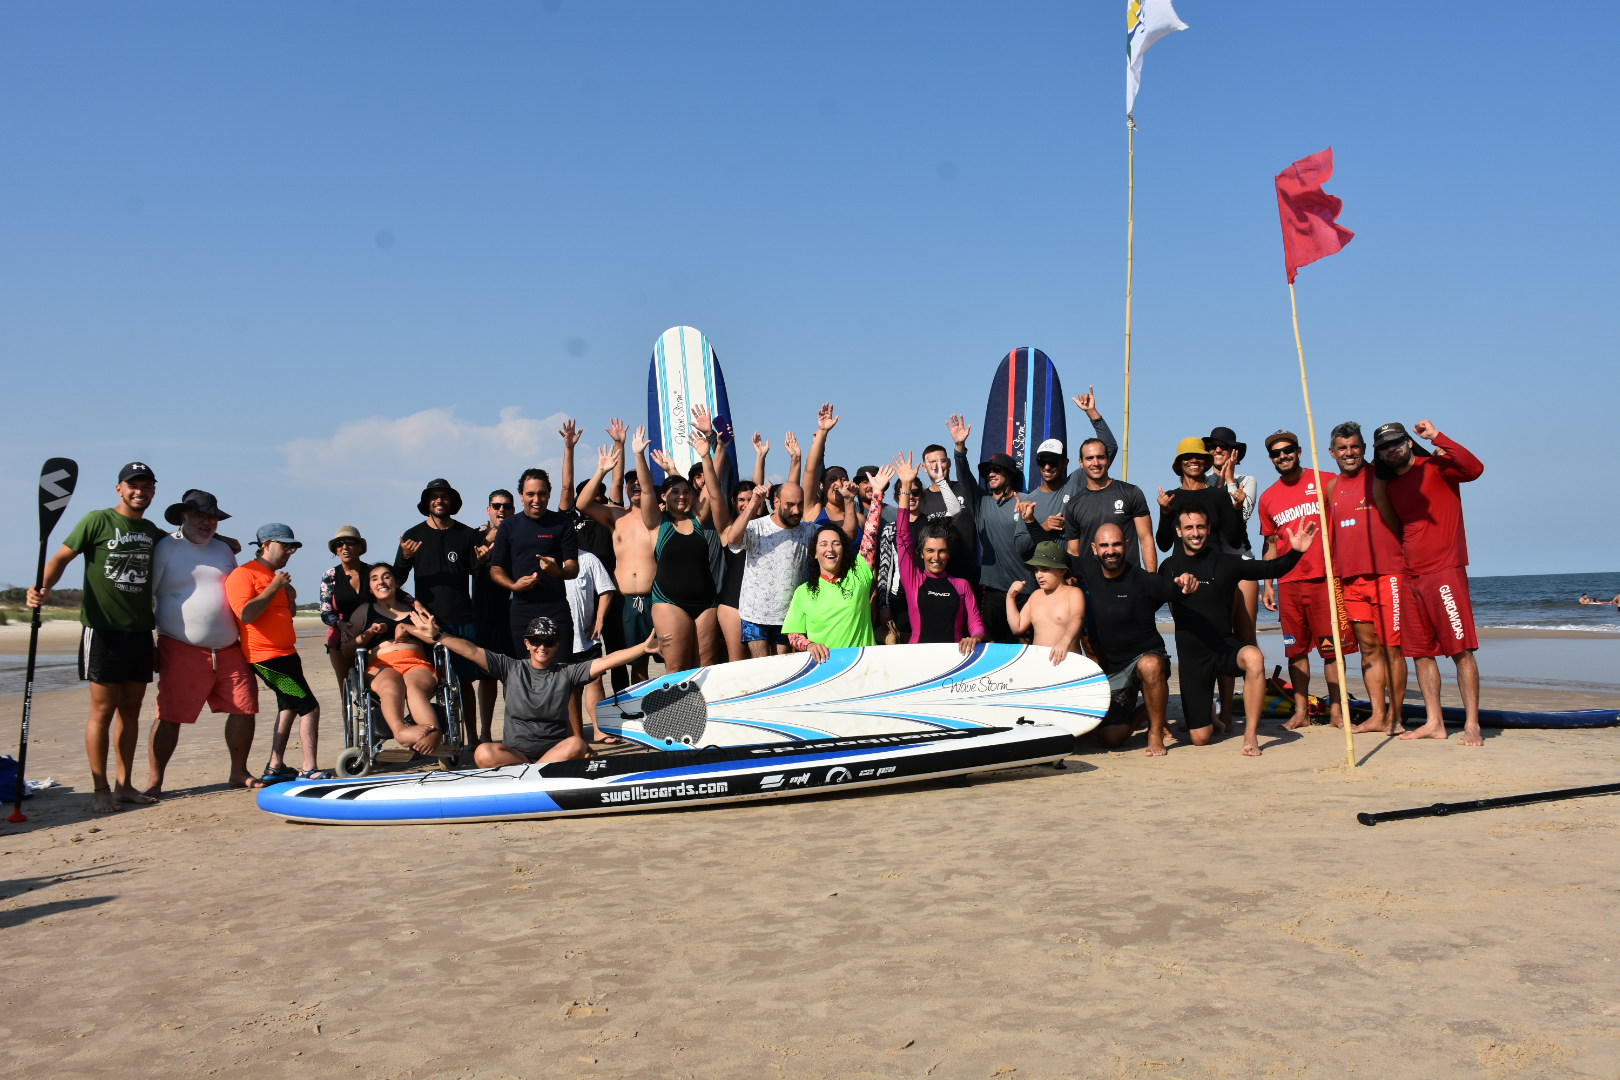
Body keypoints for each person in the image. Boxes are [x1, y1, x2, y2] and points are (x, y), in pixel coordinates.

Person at [28, 462, 166, 813]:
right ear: (119, 488)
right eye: (133, 485)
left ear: (153, 491)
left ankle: (124, 785)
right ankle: (100, 788)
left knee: (131, 713)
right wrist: (42, 588)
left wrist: (224, 539)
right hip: (102, 630)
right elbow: (61, 557)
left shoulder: (152, 531)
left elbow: (187, 544)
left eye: (147, 486)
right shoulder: (98, 520)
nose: (140, 492)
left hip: (139, 632)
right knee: (102, 712)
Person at [1162, 503, 1320, 756]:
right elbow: (1155, 595)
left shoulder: (1227, 563)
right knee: (1200, 738)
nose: (1195, 532)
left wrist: (1296, 552)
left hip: (1224, 647)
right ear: (1179, 531)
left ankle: (1250, 736)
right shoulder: (1169, 566)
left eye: (1200, 526)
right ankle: (1210, 715)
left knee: (1254, 657)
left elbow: (1271, 568)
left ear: (1208, 529)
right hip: (1193, 659)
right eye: (1189, 527)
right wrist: (1175, 587)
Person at [412, 611, 666, 766]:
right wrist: (439, 636)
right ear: (527, 643)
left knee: (576, 744)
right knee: (483, 752)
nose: (541, 647)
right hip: (515, 755)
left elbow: (605, 661)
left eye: (548, 641)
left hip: (554, 752)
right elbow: (472, 650)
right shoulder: (509, 667)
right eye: (536, 641)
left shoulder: (567, 672)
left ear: (557, 645)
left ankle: (533, 772)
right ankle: (538, 771)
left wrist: (641, 649)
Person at [1370, 419, 1486, 746]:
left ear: (1408, 441)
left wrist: (1437, 436)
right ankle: (1435, 721)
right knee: (1420, 653)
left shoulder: (1437, 467)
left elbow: (1475, 468)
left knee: (1461, 650)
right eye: (1384, 447)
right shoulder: (1391, 486)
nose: (1392, 449)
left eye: (1397, 442)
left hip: (1445, 571)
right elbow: (1395, 526)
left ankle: (1473, 724)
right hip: (1410, 576)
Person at [143, 489, 260, 795]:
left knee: (244, 708)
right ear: (183, 516)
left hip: (229, 647)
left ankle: (239, 772)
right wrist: (148, 644)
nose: (207, 523)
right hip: (180, 647)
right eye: (200, 516)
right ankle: (155, 781)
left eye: (212, 518)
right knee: (169, 715)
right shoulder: (166, 548)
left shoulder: (223, 550)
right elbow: (147, 597)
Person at [1258, 430, 1356, 729]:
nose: (1282, 456)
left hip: (1325, 579)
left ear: (1299, 451)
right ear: (1272, 459)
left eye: (1287, 450)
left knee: (1331, 650)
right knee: (1296, 651)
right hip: (1289, 582)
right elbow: (1271, 544)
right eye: (1276, 453)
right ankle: (1301, 711)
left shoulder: (1327, 480)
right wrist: (1269, 585)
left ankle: (1337, 710)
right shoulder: (1268, 498)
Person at [1076, 524, 1195, 756]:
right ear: (1094, 548)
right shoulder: (1088, 571)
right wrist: (1030, 522)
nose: (1111, 551)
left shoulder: (1143, 580)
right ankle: (1147, 711)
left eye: (1116, 544)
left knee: (1149, 665)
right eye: (1105, 545)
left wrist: (1186, 585)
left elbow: (1175, 590)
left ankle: (1155, 732)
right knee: (1111, 739)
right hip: (1116, 670)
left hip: (1148, 660)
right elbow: (1055, 557)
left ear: (1127, 545)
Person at [226, 524, 331, 781]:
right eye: (285, 546)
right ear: (266, 544)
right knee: (309, 707)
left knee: (289, 707)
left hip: (286, 654)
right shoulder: (244, 574)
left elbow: (286, 614)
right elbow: (246, 614)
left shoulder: (274, 576)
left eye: (292, 547)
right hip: (266, 658)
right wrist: (274, 588)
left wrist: (290, 596)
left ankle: (275, 766)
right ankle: (309, 768)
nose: (289, 552)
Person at [1326, 422, 1409, 735]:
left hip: (1388, 574)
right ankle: (1377, 715)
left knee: (1392, 648)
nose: (1350, 453)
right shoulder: (1332, 487)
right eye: (1343, 448)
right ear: (1333, 453)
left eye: (1355, 447)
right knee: (1369, 649)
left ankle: (1396, 717)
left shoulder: (1382, 475)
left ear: (1364, 449)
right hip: (1351, 580)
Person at [634, 418, 732, 674]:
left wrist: (710, 452)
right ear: (664, 497)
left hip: (706, 602)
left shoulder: (698, 517)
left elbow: (713, 486)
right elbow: (646, 489)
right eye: (674, 492)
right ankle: (676, 714)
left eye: (686, 492)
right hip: (669, 602)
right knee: (677, 668)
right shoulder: (657, 522)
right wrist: (639, 455)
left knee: (706, 667)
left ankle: (707, 715)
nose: (681, 496)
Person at [394, 477, 482, 746]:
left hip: (463, 619)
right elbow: (395, 580)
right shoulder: (412, 535)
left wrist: (485, 560)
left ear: (452, 501)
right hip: (427, 623)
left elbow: (477, 573)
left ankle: (473, 738)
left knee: (465, 682)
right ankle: (433, 736)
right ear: (427, 502)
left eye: (444, 496)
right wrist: (407, 557)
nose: (440, 500)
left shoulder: (468, 535)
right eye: (434, 496)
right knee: (429, 683)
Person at [947, 414, 1042, 644]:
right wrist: (960, 448)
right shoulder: (981, 503)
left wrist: (1034, 521)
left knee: (1025, 649)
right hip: (992, 592)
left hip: (1025, 589)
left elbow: (1035, 543)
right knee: (994, 648)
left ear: (1009, 475)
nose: (991, 473)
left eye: (997, 470)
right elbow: (964, 475)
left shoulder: (1026, 501)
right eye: (989, 470)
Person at [577, 420, 657, 688]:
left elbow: (662, 491)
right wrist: (601, 471)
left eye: (639, 482)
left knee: (662, 658)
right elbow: (582, 503)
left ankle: (663, 708)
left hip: (654, 599)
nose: (635, 485)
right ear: (624, 489)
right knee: (630, 660)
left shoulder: (658, 517)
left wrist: (639, 456)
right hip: (624, 601)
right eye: (630, 483)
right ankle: (632, 713)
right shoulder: (616, 516)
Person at [784, 466, 894, 660]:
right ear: (815, 553)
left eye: (836, 544)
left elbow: (870, 533)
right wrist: (809, 644)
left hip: (861, 667)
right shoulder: (803, 592)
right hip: (824, 671)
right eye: (824, 544)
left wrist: (877, 494)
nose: (830, 549)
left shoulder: (859, 573)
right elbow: (794, 635)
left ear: (843, 550)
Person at [722, 459, 827, 658]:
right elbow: (733, 539)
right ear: (776, 502)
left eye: (800, 505)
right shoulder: (757, 527)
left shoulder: (808, 530)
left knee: (784, 669)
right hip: (755, 614)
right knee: (762, 669)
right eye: (790, 505)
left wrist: (849, 501)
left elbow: (843, 535)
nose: (796, 511)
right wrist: (753, 503)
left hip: (788, 616)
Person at [347, 563, 447, 756]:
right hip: (381, 665)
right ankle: (400, 730)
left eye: (386, 576)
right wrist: (369, 633)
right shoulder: (364, 611)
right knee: (391, 687)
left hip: (415, 662)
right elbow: (346, 650)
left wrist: (406, 628)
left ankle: (433, 731)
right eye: (374, 579)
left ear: (396, 582)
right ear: (369, 587)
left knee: (414, 688)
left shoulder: (414, 611)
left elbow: (436, 638)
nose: (381, 582)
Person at [892, 452, 985, 653]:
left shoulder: (962, 585)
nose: (936, 557)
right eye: (930, 551)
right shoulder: (913, 580)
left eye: (942, 551)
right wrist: (906, 486)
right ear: (922, 553)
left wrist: (975, 638)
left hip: (954, 659)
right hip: (918, 656)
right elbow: (902, 535)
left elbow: (976, 624)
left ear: (949, 553)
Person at [490, 466, 579, 662]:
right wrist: (514, 586)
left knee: (563, 673)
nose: (536, 500)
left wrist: (557, 572)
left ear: (549, 495)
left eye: (542, 494)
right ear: (521, 496)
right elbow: (495, 569)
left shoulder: (562, 523)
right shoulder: (508, 526)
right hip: (522, 609)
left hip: (556, 607)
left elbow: (573, 568)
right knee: (526, 674)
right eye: (530, 494)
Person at [1020, 388, 1121, 549]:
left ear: (1065, 463)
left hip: (1079, 570)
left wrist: (1092, 412)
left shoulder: (1077, 480)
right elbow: (1020, 548)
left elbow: (1109, 448)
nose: (1047, 466)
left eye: (1053, 462)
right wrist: (1043, 527)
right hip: (1046, 572)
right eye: (1042, 461)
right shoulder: (1029, 501)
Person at [1062, 438, 1157, 572]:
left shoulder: (1131, 493)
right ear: (1081, 463)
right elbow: (1073, 551)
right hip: (1091, 585)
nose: (1095, 463)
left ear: (1108, 460)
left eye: (1100, 457)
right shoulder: (1073, 505)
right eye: (1090, 458)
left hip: (1129, 580)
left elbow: (1146, 538)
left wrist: (1152, 579)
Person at [469, 489, 514, 742]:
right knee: (486, 679)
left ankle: (512, 731)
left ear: (513, 510)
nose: (501, 511)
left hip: (515, 615)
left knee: (513, 677)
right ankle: (485, 733)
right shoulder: (475, 537)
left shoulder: (518, 533)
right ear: (488, 509)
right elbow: (468, 566)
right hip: (485, 615)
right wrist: (488, 541)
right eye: (496, 506)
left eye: (506, 506)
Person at [565, 549, 619, 743]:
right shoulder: (542, 558)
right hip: (560, 638)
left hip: (586, 635)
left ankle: (599, 729)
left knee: (595, 681)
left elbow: (606, 589)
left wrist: (599, 619)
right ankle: (573, 735)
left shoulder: (588, 558)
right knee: (568, 687)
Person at [1005, 543, 1083, 665]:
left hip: (1068, 663)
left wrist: (1064, 641)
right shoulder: (1036, 595)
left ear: (1062, 570)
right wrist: (1010, 597)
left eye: (1045, 569)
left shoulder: (1074, 593)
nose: (1039, 575)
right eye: (1036, 570)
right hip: (1039, 665)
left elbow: (1077, 618)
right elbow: (1017, 627)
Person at [318, 526, 372, 685]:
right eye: (339, 544)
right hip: (341, 636)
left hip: (371, 633)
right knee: (345, 687)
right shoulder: (330, 575)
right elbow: (325, 612)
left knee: (375, 689)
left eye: (350, 542)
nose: (345, 547)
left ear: (360, 547)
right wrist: (339, 624)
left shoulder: (373, 572)